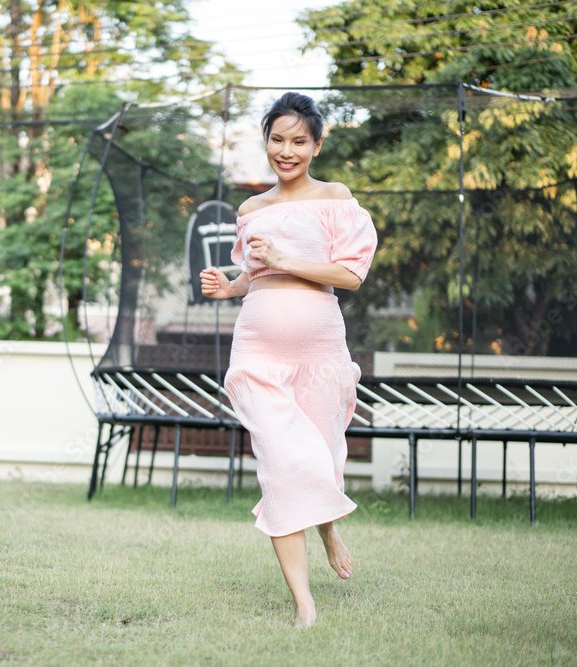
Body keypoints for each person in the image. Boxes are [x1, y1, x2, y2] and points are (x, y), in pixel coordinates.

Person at [200, 92, 377, 629]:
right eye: (278, 139)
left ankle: (327, 528)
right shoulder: (251, 210)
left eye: (299, 140)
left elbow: (349, 274)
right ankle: (304, 604)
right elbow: (255, 273)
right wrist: (227, 287)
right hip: (258, 348)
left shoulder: (336, 198)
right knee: (282, 464)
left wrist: (285, 259)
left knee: (322, 457)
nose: (287, 149)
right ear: (266, 142)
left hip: (320, 348)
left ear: (317, 145)